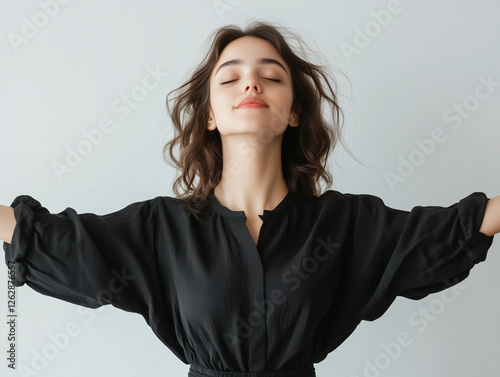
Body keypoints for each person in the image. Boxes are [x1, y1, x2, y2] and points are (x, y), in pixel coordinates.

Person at [1, 21, 499, 377]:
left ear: (296, 112)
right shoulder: (162, 228)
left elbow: (456, 230)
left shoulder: (345, 222)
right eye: (231, 76)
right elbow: (52, 244)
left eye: (272, 75)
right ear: (211, 115)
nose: (252, 83)